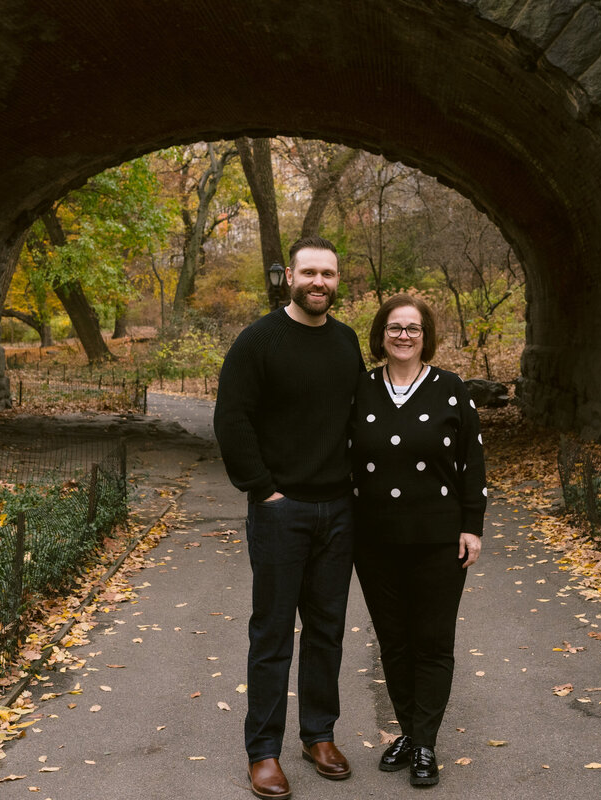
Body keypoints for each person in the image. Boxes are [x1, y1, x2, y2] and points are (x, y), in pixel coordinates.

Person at [213, 236, 365, 800]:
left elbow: (357, 420)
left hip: (338, 510)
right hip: (281, 511)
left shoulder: (346, 342)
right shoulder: (258, 341)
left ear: (337, 280)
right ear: (290, 278)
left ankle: (318, 735)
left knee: (327, 630)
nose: (319, 282)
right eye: (309, 272)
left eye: (328, 273)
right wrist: (264, 491)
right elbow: (232, 419)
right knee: (273, 632)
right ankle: (264, 752)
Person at [350, 294, 487, 788]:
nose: (403, 335)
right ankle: (409, 729)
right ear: (380, 334)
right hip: (375, 540)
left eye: (413, 328)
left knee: (432, 640)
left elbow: (473, 463)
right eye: (394, 327)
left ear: (425, 335)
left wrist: (473, 525)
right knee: (394, 641)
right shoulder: (360, 389)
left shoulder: (451, 390)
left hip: (438, 540)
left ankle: (425, 743)